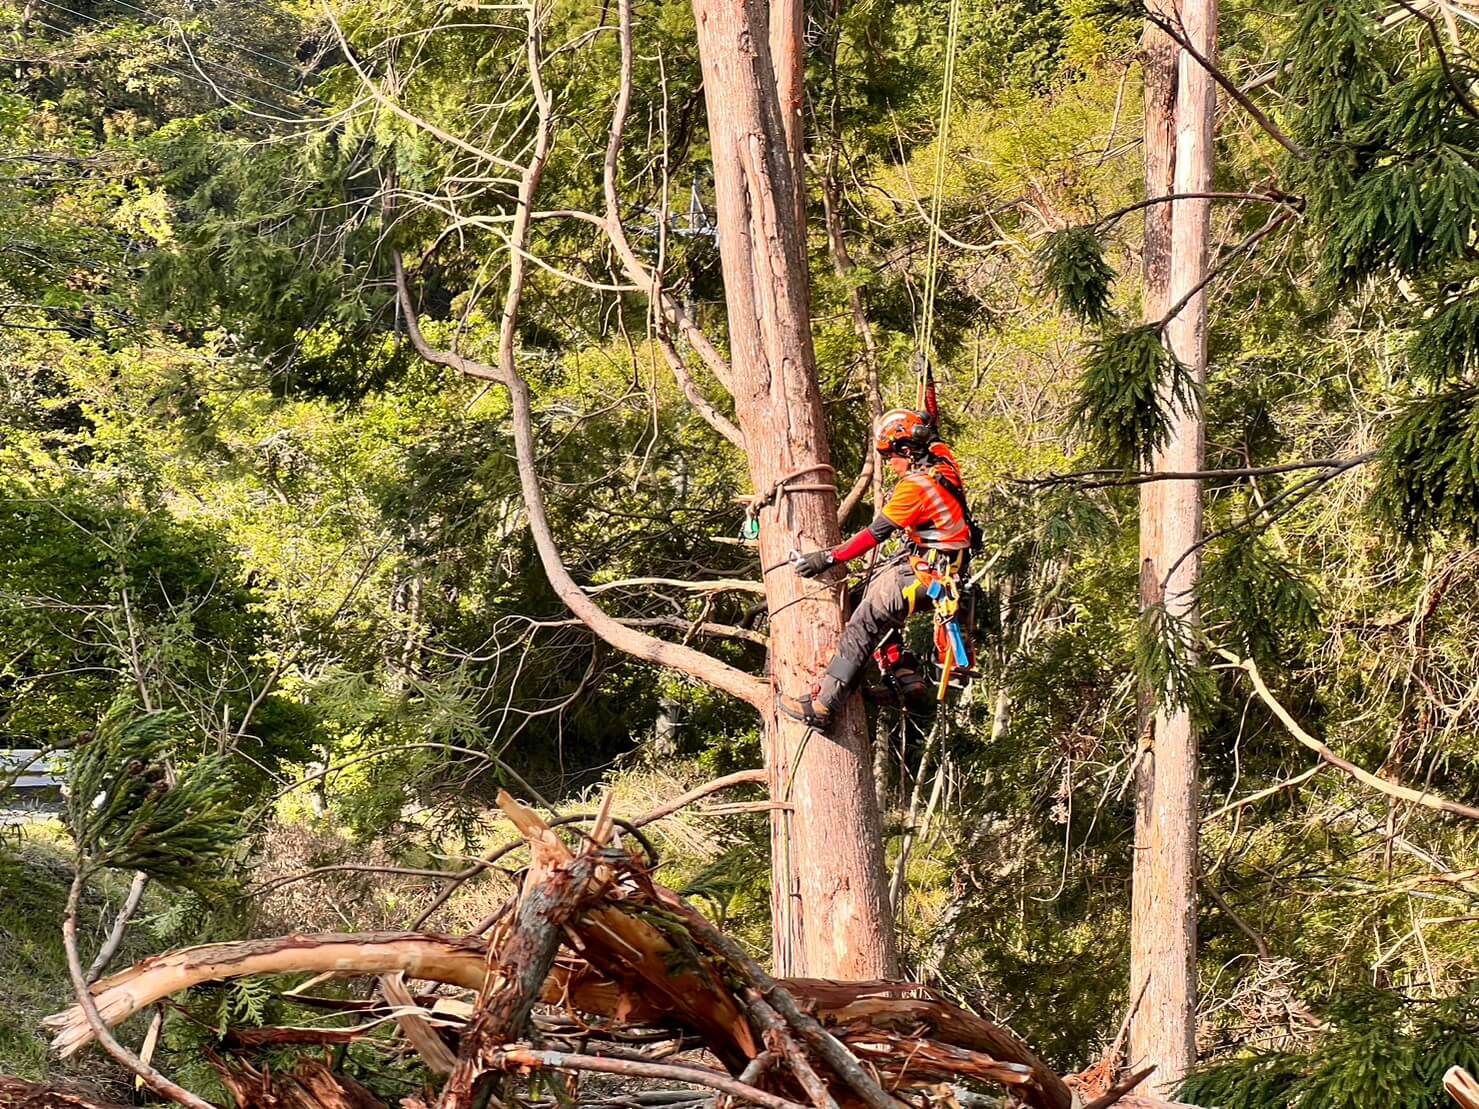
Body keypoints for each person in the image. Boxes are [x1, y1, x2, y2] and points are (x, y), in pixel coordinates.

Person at [777, 408, 975, 733]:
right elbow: (934, 429)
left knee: (862, 625)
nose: (889, 464)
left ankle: (823, 706)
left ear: (908, 451)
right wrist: (925, 405)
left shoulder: (915, 488)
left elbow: (874, 534)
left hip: (921, 575)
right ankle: (906, 677)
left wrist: (825, 559)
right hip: (942, 573)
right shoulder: (944, 463)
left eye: (889, 457)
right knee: (858, 599)